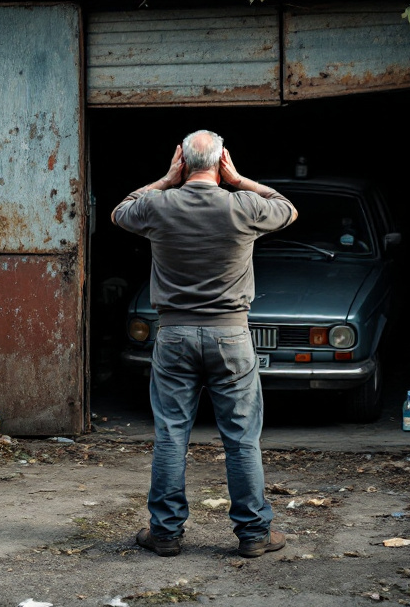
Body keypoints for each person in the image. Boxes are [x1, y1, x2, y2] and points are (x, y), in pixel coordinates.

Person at [111, 130, 298, 558]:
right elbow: (286, 208)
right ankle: (253, 534)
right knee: (241, 437)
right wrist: (240, 179)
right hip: (230, 335)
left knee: (172, 434)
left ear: (181, 160)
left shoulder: (158, 205)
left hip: (174, 334)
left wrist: (164, 178)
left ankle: (165, 533)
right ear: (222, 161)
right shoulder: (244, 206)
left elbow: (120, 211)